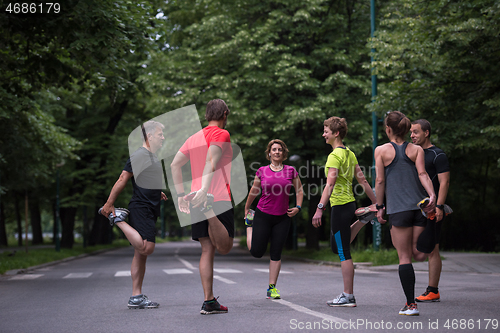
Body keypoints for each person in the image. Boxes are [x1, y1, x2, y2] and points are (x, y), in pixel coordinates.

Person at [170, 99, 234, 315]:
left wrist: (180, 195)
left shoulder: (193, 138)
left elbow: (174, 165)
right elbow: (211, 162)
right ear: (225, 114)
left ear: (207, 115)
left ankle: (209, 301)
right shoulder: (221, 134)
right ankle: (208, 208)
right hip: (216, 197)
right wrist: (205, 194)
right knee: (224, 247)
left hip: (195, 196)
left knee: (207, 249)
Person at [100, 120, 168, 309]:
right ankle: (117, 219)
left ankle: (136, 297)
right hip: (141, 207)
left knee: (140, 254)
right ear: (150, 135)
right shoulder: (140, 155)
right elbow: (123, 178)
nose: (163, 137)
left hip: (150, 205)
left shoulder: (152, 156)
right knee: (147, 248)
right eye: (160, 134)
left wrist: (157, 191)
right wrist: (109, 203)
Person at [374, 111, 436, 316]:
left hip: (398, 210)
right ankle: (433, 227)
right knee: (418, 254)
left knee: (404, 257)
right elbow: (423, 174)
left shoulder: (381, 151)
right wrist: (432, 195)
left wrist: (379, 206)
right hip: (418, 207)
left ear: (388, 129)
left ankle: (411, 305)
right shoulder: (416, 149)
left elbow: (380, 181)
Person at [312, 117, 377, 307]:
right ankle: (363, 220)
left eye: (326, 131)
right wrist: (376, 203)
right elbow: (363, 181)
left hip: (340, 206)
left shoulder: (334, 156)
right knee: (336, 246)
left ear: (336, 133)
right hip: (350, 204)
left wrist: (319, 208)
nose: (323, 134)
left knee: (342, 252)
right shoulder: (350, 153)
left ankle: (348, 296)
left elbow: (330, 184)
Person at [244, 139, 304, 299]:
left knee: (276, 253)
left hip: (283, 217)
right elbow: (254, 191)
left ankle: (272, 288)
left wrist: (298, 207)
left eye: (280, 150)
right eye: (274, 149)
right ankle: (249, 227)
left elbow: (299, 191)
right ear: (269, 153)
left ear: (284, 153)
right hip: (262, 215)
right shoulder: (262, 171)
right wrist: (247, 207)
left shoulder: (291, 171)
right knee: (257, 252)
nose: (277, 152)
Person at [410, 119, 450, 303]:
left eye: (416, 132)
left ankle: (433, 290)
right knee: (413, 247)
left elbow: (444, 182)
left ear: (426, 133)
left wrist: (440, 206)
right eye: (411, 132)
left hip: (432, 209)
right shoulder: (411, 152)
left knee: (433, 249)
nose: (412, 135)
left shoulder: (437, 155)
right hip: (413, 207)